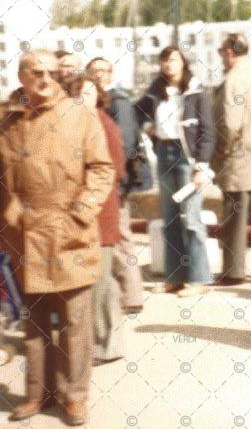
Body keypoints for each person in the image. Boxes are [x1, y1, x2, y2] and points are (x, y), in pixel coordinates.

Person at [0, 49, 115, 425]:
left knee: (75, 320)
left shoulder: (80, 116)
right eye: (37, 72)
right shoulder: (9, 120)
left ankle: (75, 395)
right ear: (22, 77)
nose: (46, 79)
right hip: (26, 234)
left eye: (51, 72)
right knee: (35, 321)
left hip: (71, 233)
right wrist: (9, 208)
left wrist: (81, 213)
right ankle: (38, 392)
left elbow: (101, 169)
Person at [136, 47, 216, 297]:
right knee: (170, 217)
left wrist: (202, 166)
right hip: (163, 153)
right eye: (164, 60)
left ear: (182, 63)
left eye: (173, 60)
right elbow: (138, 114)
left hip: (187, 158)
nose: (168, 64)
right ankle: (175, 276)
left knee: (191, 218)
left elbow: (208, 131)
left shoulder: (196, 91)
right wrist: (149, 128)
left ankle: (200, 278)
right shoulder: (155, 91)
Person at [86, 57, 149, 314]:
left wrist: (119, 185)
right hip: (111, 182)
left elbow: (125, 146)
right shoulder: (105, 101)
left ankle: (132, 297)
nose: (99, 75)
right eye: (94, 72)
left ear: (111, 73)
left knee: (121, 239)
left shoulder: (119, 102)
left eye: (104, 70)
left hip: (117, 183)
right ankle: (126, 294)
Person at [71, 78, 127, 364]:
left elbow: (117, 169)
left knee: (102, 281)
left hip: (102, 214)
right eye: (78, 93)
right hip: (84, 214)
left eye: (89, 92)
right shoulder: (76, 124)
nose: (83, 98)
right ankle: (95, 341)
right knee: (91, 282)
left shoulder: (104, 124)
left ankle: (108, 345)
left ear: (99, 96)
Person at [210, 35, 251, 286]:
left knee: (234, 217)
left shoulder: (233, 81)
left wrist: (220, 154)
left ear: (228, 52)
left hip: (238, 157)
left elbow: (230, 124)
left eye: (220, 51)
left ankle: (233, 271)